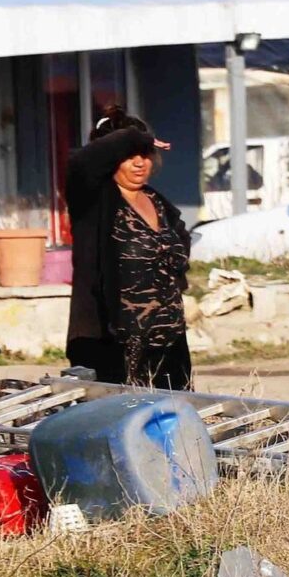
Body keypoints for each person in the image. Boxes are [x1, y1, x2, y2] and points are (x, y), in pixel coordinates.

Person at [62, 108, 193, 389]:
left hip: (169, 346)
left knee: (175, 426)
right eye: (129, 155)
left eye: (144, 155)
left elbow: (176, 256)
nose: (139, 163)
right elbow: (82, 163)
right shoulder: (91, 200)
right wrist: (137, 136)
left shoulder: (159, 203)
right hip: (109, 346)